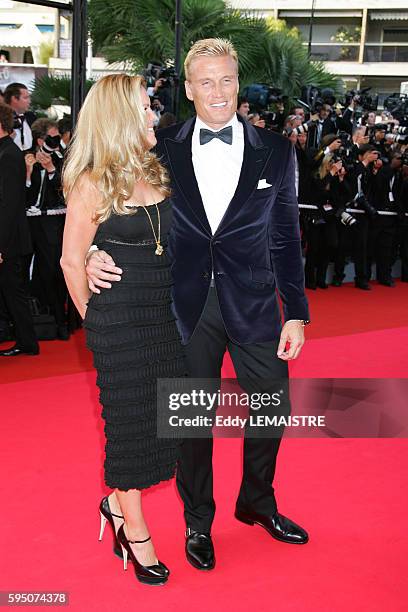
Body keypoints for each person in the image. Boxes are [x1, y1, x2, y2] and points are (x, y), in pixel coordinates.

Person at [87, 39, 311, 572]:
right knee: (191, 418)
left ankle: (257, 500)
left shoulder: (276, 151)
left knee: (270, 406)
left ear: (239, 83)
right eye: (205, 81)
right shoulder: (154, 145)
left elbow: (285, 235)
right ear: (188, 90)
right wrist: (94, 250)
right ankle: (198, 521)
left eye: (226, 80)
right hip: (182, 306)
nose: (218, 91)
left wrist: (297, 311)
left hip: (255, 302)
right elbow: (113, 199)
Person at [61, 74, 186, 586]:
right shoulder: (91, 179)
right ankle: (136, 532)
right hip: (120, 326)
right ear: (120, 116)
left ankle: (113, 504)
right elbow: (71, 261)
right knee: (131, 431)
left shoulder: (158, 169)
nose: (154, 114)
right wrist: (99, 323)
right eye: (146, 106)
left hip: (164, 321)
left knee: (169, 423)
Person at [0, 103, 39, 357]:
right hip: (8, 239)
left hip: (9, 240)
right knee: (11, 293)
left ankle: (28, 343)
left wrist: (1, 247)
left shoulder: (10, 154)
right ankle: (24, 340)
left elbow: (10, 205)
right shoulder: (5, 152)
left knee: (14, 292)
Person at [3, 83, 35, 152]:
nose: (29, 101)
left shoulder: (31, 117)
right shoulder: (2, 120)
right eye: (25, 98)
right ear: (14, 98)